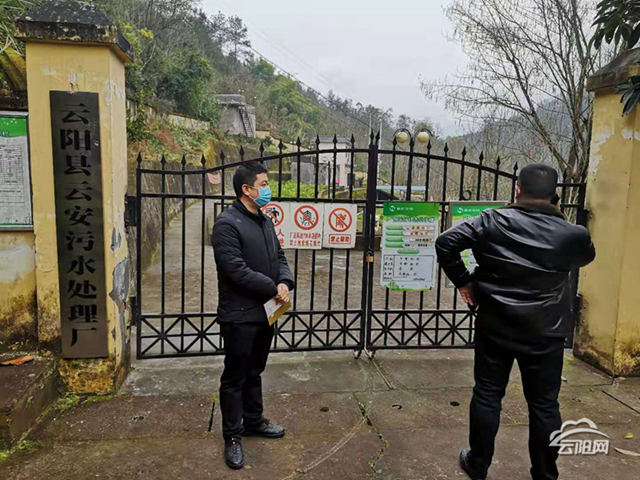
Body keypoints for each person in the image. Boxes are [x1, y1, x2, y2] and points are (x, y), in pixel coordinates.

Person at [435, 164, 595, 480]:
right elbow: (584, 258)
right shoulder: (573, 234)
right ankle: (545, 474)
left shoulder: (490, 221)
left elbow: (445, 242)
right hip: (547, 331)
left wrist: (464, 281)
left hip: (496, 326)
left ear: (517, 190)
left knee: (487, 394)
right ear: (555, 194)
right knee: (545, 405)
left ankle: (478, 464)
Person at [212, 162, 294, 470]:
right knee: (235, 376)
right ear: (247, 189)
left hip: (265, 312)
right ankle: (232, 435)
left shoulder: (264, 219)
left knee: (255, 370)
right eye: (263, 184)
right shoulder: (227, 224)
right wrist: (273, 287)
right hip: (239, 314)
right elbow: (235, 270)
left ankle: (254, 420)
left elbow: (279, 256)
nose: (268, 188)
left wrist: (285, 282)